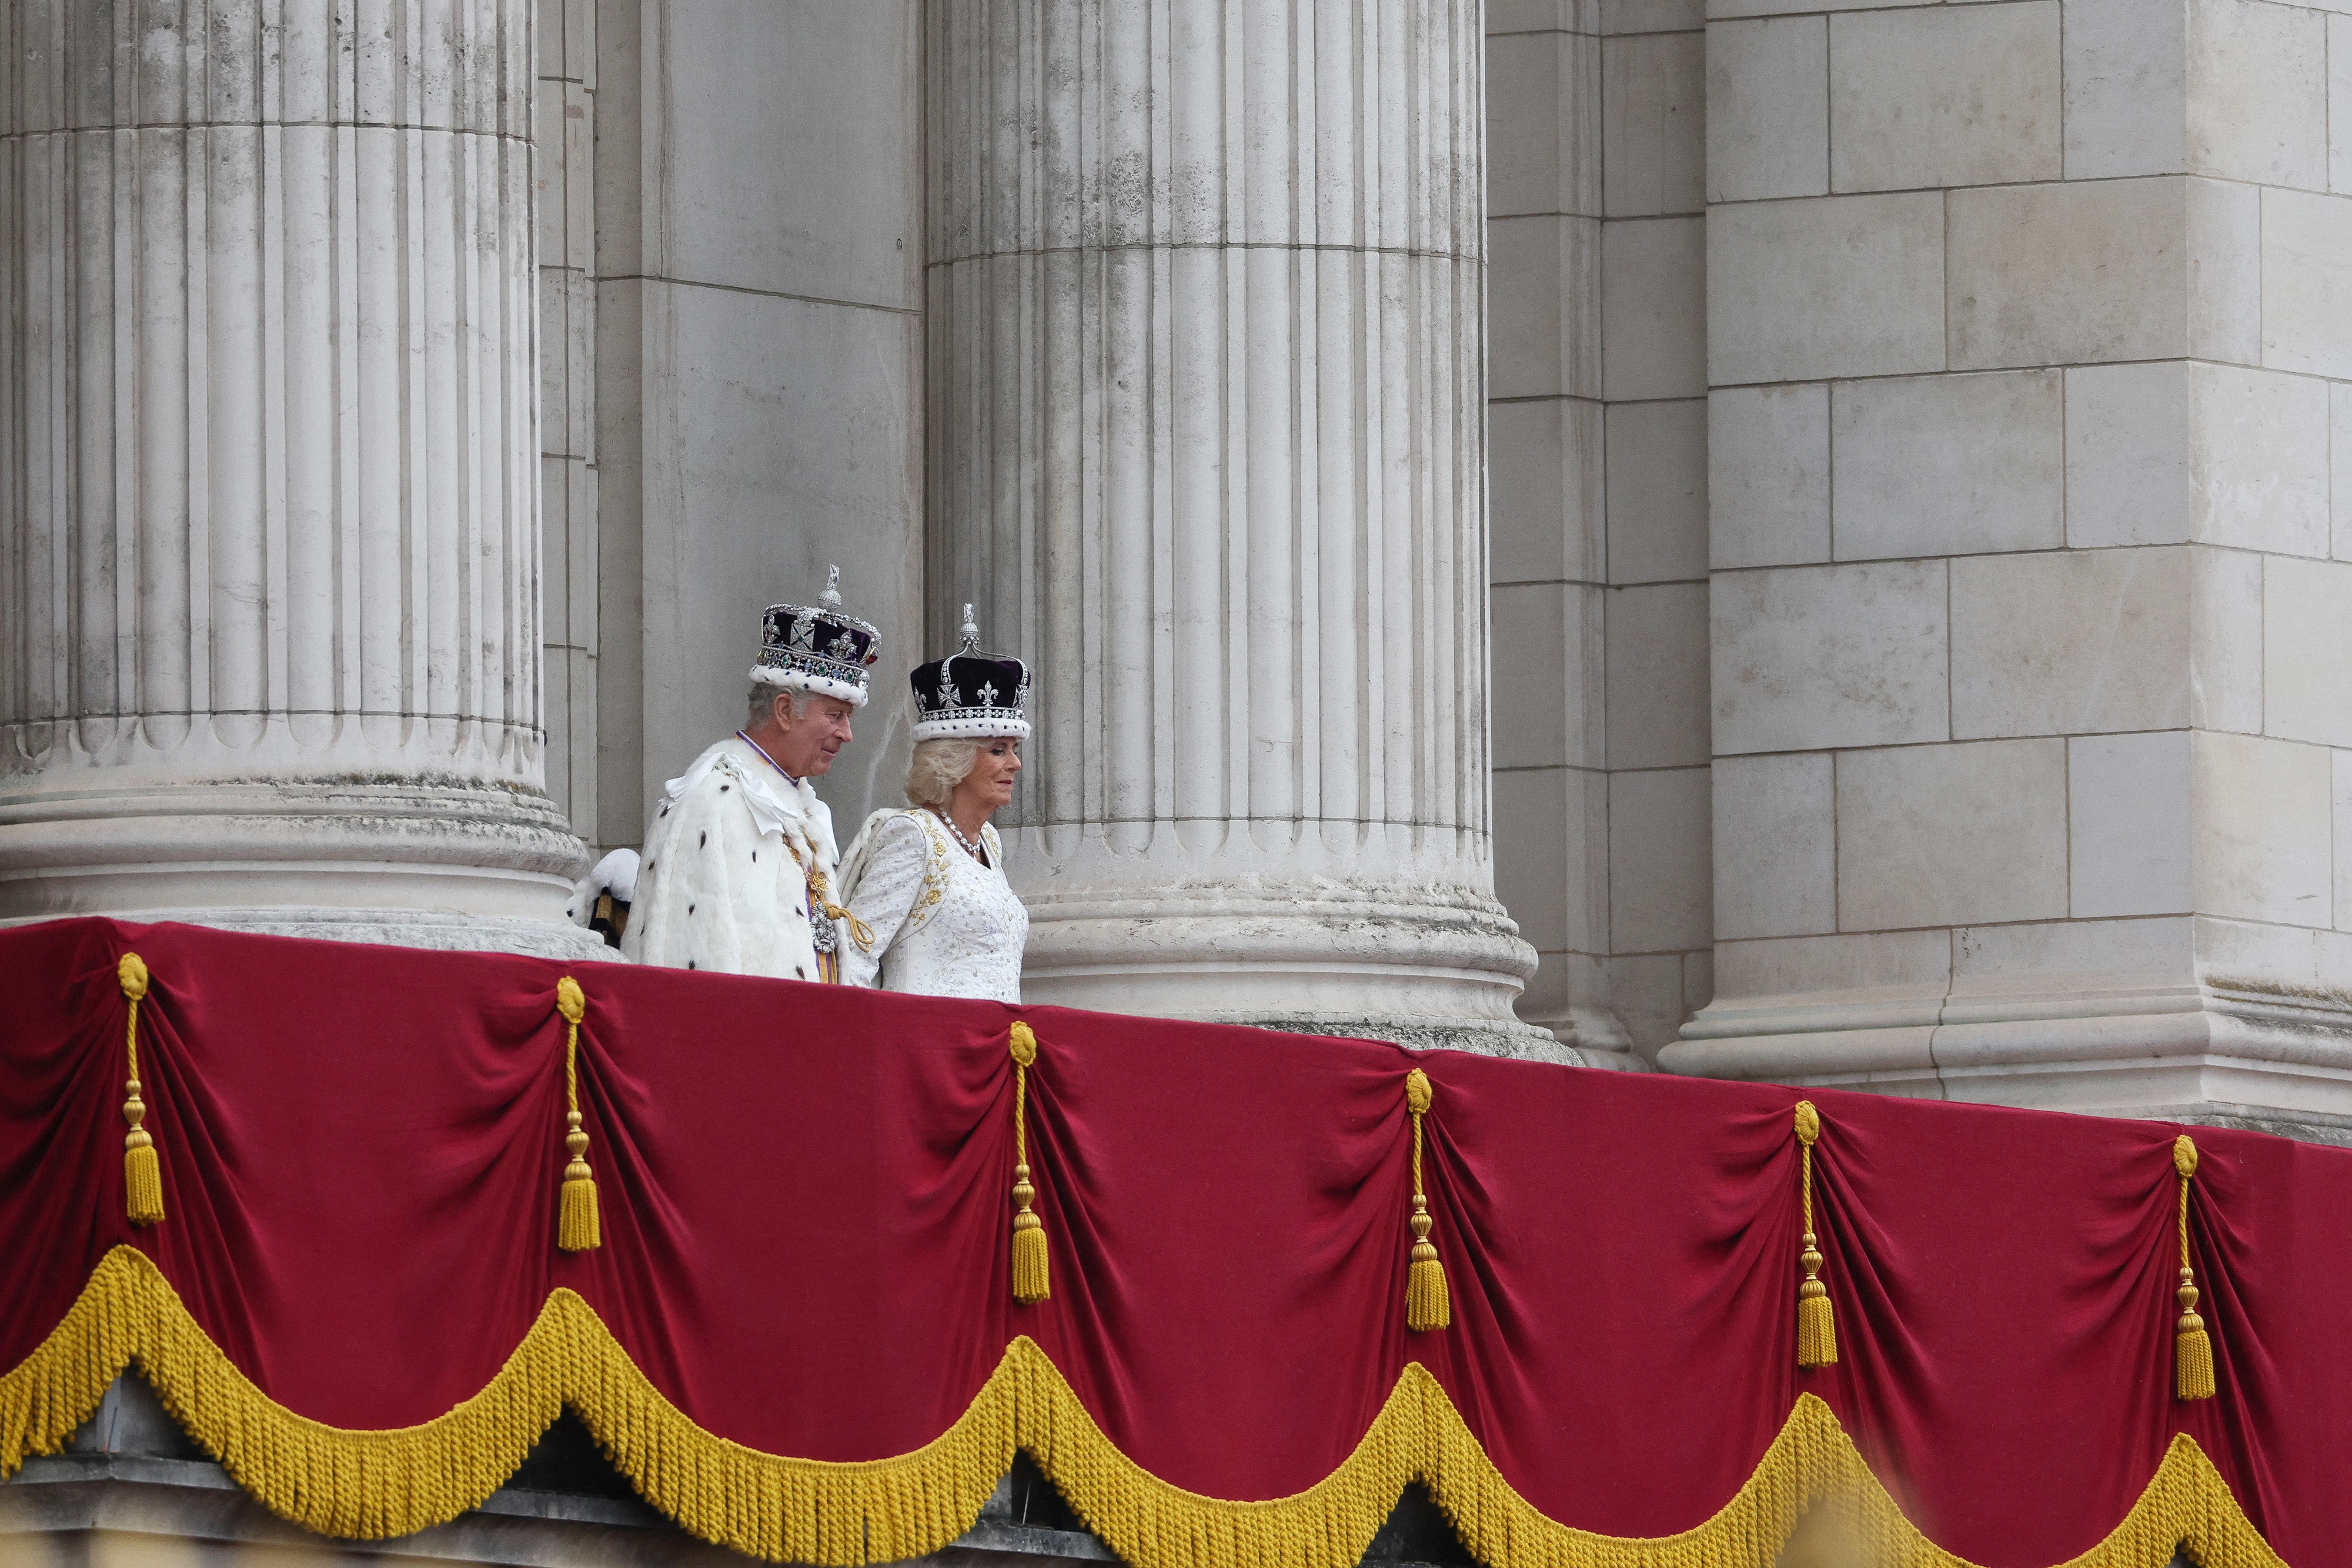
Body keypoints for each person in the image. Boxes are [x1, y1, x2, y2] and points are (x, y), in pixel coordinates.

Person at [622, 567, 880, 981]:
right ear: (783, 710)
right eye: (835, 715)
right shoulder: (711, 801)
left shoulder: (806, 810)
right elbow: (688, 965)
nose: (847, 734)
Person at [837, 607, 1030, 1001]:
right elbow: (854, 959)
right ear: (953, 761)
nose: (1015, 763)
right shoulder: (913, 836)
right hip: (924, 1050)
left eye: (1014, 749)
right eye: (997, 750)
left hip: (996, 1052)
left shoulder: (989, 842)